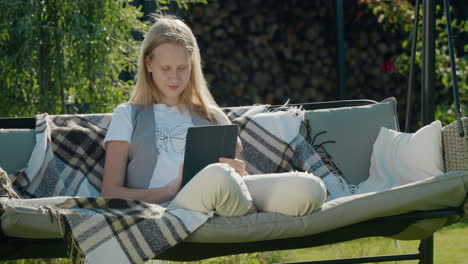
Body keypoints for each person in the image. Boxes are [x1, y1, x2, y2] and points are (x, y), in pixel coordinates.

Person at [101, 14, 327, 217]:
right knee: (218, 177)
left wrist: (240, 172)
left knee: (310, 187)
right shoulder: (128, 115)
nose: (175, 78)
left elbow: (240, 179)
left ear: (192, 65)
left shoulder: (213, 116)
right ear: (149, 64)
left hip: (225, 192)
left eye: (182, 68)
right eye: (166, 69)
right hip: (171, 205)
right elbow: (110, 193)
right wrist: (171, 189)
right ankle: (250, 213)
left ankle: (242, 209)